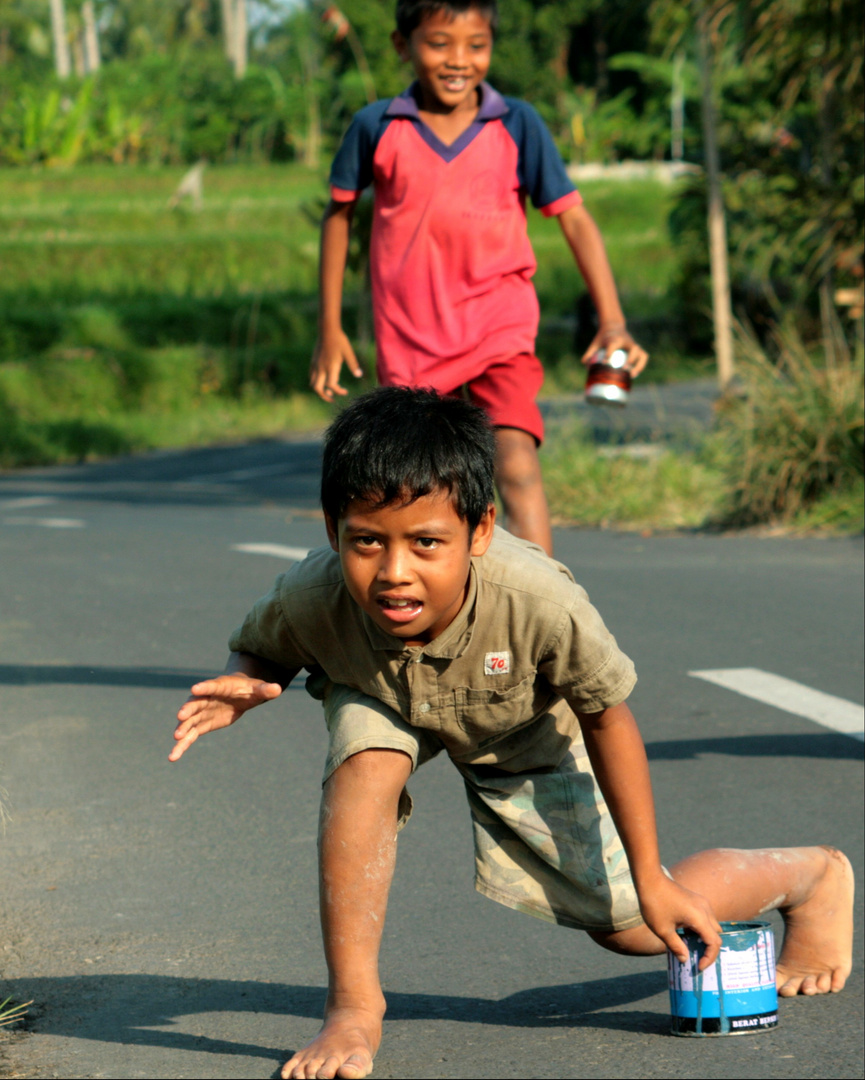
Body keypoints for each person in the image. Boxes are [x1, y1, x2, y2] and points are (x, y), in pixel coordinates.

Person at [171, 387, 853, 1080]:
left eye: (426, 543)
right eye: (367, 541)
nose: (393, 572)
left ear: (481, 528)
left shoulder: (539, 603)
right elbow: (258, 648)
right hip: (379, 690)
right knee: (365, 760)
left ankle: (810, 876)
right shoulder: (312, 596)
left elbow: (606, 718)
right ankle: (351, 1007)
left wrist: (649, 876)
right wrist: (245, 684)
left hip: (520, 726)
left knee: (630, 928)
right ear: (332, 531)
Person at [310, 0, 649, 555]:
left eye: (476, 45)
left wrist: (612, 320)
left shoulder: (517, 123)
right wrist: (330, 328)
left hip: (500, 332)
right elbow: (339, 215)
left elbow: (576, 219)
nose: (458, 60)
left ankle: (547, 618)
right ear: (403, 45)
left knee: (516, 467)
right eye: (439, 43)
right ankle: (430, 621)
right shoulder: (377, 127)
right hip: (411, 344)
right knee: (414, 495)